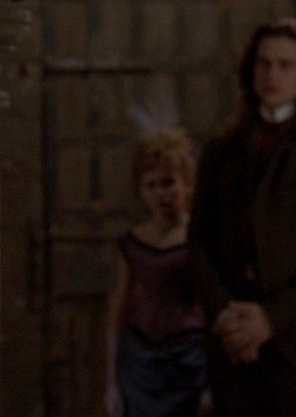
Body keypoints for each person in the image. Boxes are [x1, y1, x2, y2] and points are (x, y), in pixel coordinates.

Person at [187, 18, 296, 417]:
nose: (273, 75)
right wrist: (225, 315)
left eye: (286, 65)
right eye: (264, 64)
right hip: (232, 344)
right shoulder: (221, 149)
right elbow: (198, 241)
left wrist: (270, 319)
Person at [105, 128, 208, 417]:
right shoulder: (133, 242)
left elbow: (213, 306)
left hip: (188, 361)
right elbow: (119, 309)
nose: (161, 194)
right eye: (150, 185)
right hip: (141, 364)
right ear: (140, 190)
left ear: (187, 184)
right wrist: (111, 383)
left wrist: (213, 381)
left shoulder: (200, 240)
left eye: (168, 183)